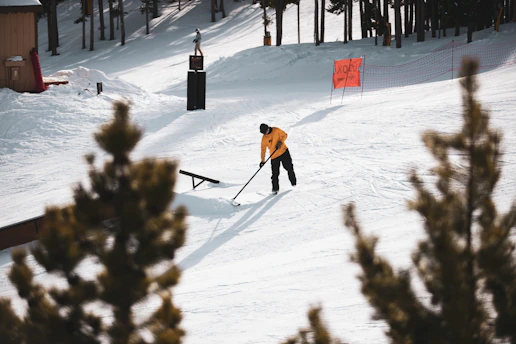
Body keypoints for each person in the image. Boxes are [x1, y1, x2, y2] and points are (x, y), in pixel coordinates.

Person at [259, 123, 297, 194]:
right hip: (274, 156)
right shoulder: (264, 138)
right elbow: (263, 150)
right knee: (275, 174)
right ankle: (275, 189)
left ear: (268, 128)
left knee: (289, 168)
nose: (265, 133)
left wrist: (280, 142)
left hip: (284, 152)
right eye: (264, 133)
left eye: (266, 131)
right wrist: (262, 161)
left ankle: (293, 183)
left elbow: (285, 135)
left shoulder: (276, 130)